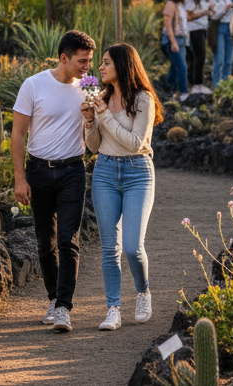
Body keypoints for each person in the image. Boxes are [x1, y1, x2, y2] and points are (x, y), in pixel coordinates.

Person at [11, 30, 96, 333]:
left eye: (90, 61)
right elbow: (18, 135)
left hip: (73, 170)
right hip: (39, 171)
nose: (87, 67)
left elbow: (95, 135)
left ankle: (64, 307)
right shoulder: (33, 85)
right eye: (82, 61)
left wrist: (90, 117)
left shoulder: (88, 90)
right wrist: (20, 178)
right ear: (64, 58)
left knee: (67, 241)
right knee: (45, 242)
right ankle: (52, 298)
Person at [81, 44, 164, 331]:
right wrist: (90, 121)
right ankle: (113, 308)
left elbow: (135, 143)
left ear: (123, 65)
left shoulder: (144, 99)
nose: (100, 68)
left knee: (132, 246)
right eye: (100, 63)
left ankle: (143, 292)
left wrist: (103, 116)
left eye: (105, 63)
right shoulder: (102, 98)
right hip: (104, 171)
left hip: (138, 172)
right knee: (109, 248)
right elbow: (93, 147)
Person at [184, 0, 215, 95]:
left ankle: (193, 84)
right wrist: (205, 11)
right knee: (199, 57)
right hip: (194, 30)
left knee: (197, 57)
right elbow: (189, 16)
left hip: (202, 29)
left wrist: (210, 12)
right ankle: (197, 84)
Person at [162, 0, 189, 102]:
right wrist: (173, 42)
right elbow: (167, 24)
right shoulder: (170, 4)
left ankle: (168, 88)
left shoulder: (180, 5)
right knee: (182, 67)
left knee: (175, 66)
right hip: (174, 39)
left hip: (182, 39)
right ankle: (183, 92)